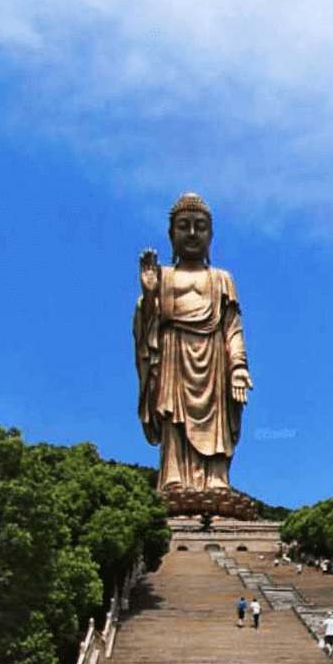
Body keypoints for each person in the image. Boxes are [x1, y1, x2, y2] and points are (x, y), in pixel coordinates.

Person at [134, 194, 252, 495]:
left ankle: (217, 479)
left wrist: (238, 367)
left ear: (210, 235)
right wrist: (150, 295)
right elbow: (147, 327)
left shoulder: (221, 279)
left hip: (214, 359)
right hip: (173, 355)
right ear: (171, 234)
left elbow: (232, 328)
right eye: (183, 226)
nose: (191, 233)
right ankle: (173, 478)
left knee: (216, 422)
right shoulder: (163, 276)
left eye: (200, 227)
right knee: (172, 416)